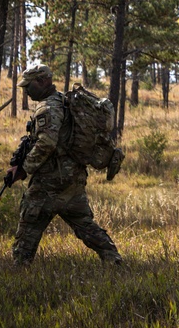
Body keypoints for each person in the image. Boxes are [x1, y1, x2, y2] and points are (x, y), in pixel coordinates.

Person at [7, 64, 123, 265]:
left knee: (30, 222)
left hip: (50, 180)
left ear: (43, 81)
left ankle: (19, 268)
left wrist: (24, 169)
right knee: (84, 223)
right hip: (73, 177)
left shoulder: (48, 107)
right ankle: (112, 257)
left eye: (29, 85)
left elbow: (47, 143)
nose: (26, 90)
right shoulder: (63, 102)